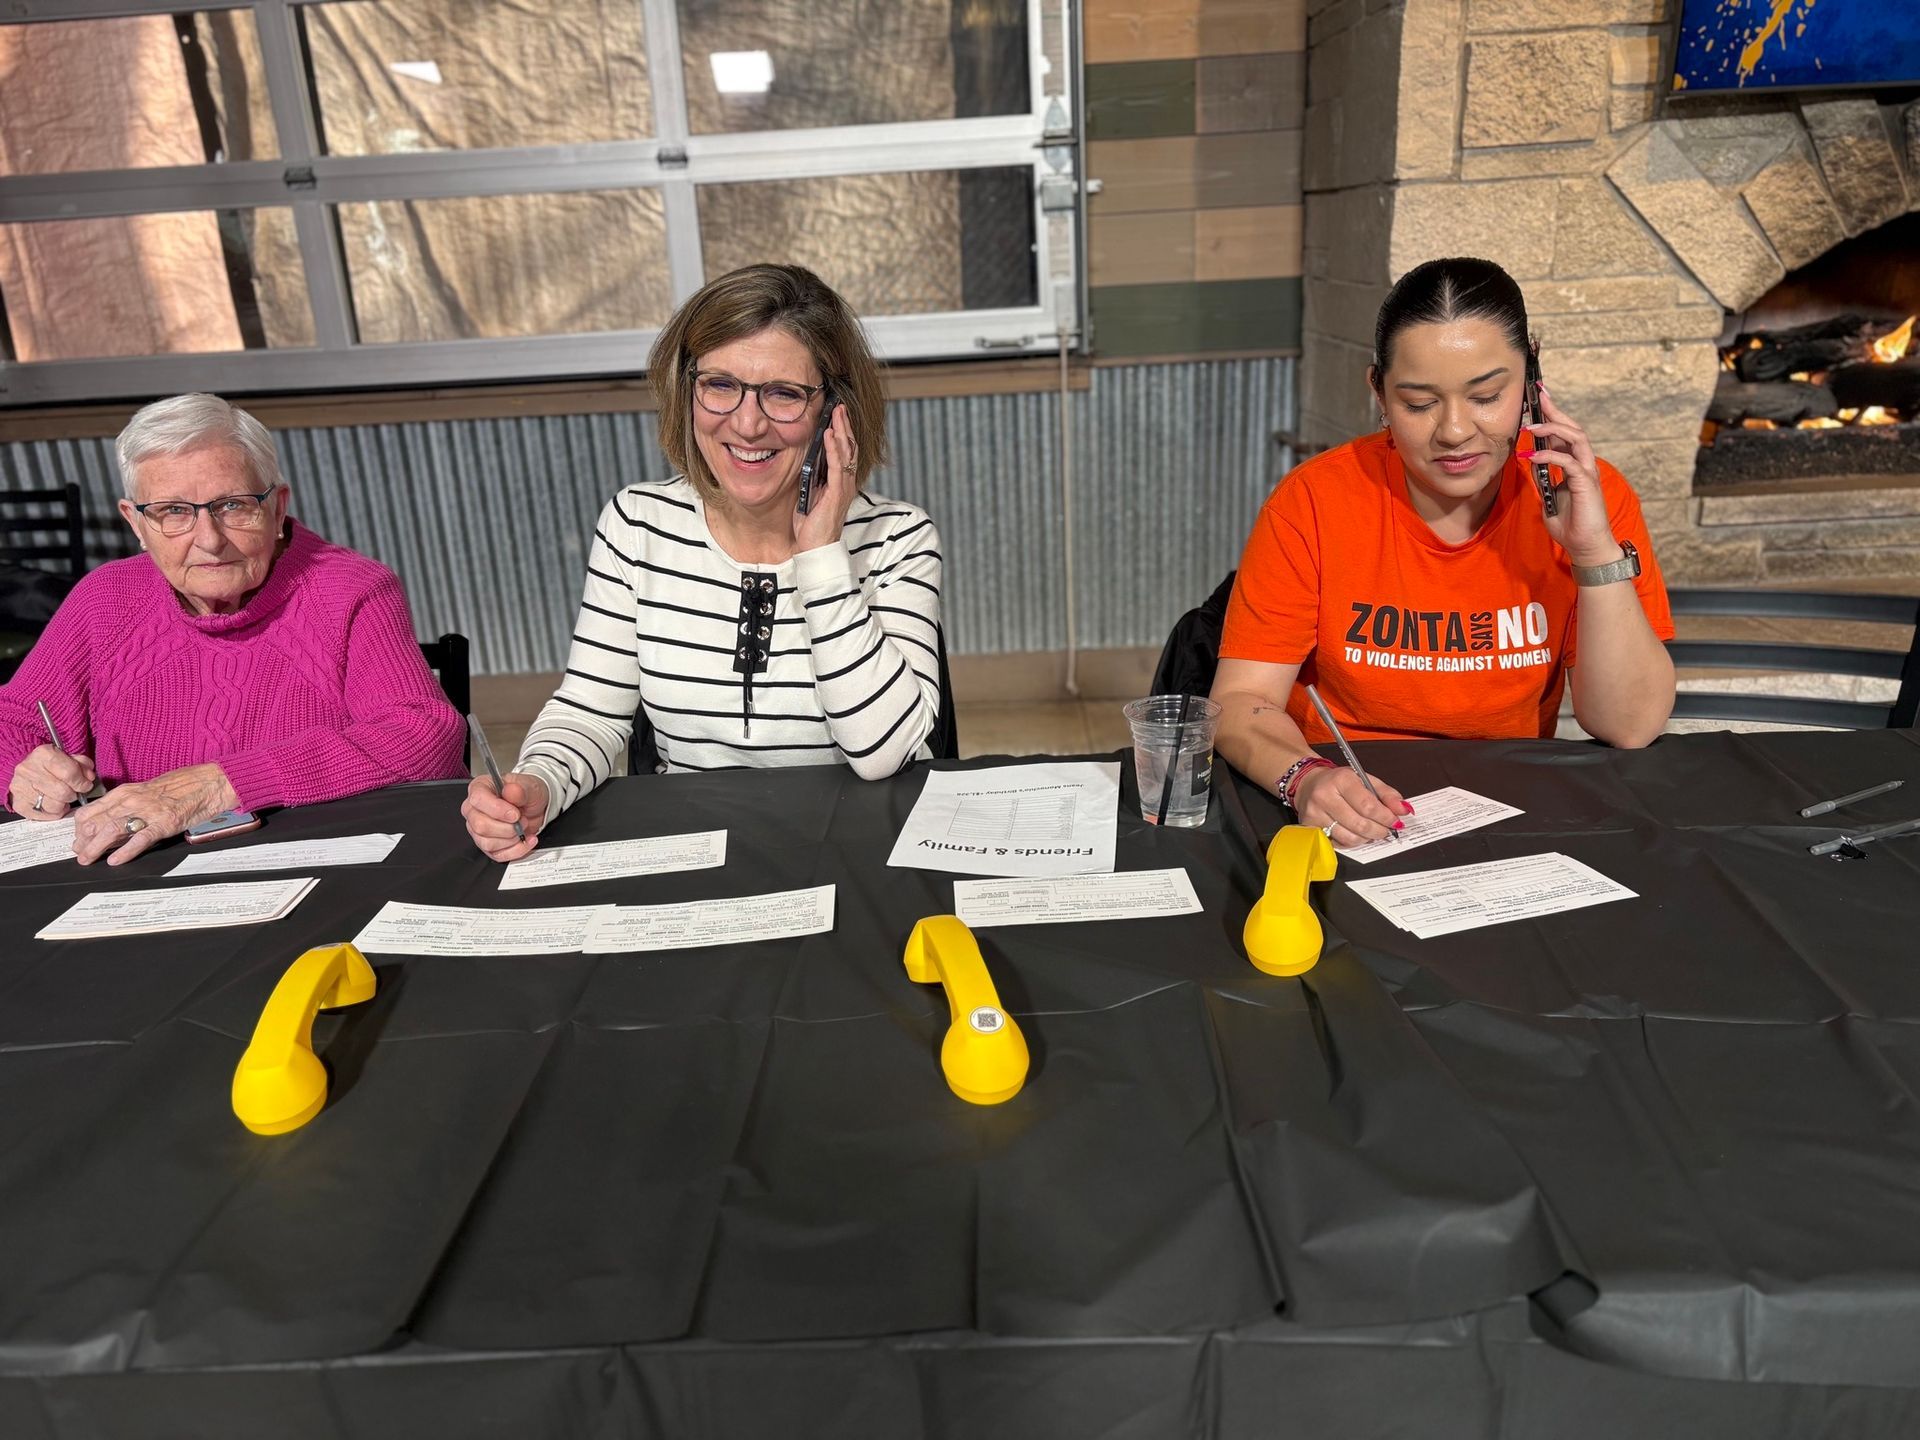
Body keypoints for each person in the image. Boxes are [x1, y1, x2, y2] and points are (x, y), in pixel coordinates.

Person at [463, 264, 945, 862]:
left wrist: (822, 556)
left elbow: (884, 754)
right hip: (692, 854)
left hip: (855, 853)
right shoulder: (637, 523)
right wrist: (538, 784)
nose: (747, 423)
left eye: (784, 393)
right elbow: (590, 711)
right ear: (686, 389)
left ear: (835, 411)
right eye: (720, 385)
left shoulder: (897, 537)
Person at [1211, 257, 1675, 847]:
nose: (1454, 431)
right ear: (1378, 391)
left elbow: (1630, 727)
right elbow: (1241, 701)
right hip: (1346, 800)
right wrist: (1305, 779)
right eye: (1419, 403)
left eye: (1486, 396)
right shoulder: (1314, 501)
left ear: (1532, 382)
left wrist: (1592, 552)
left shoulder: (1584, 496)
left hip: (1511, 810)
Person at [0, 393, 466, 865]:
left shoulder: (350, 590)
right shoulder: (106, 599)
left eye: (232, 505)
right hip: (137, 875)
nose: (209, 540)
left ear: (278, 507)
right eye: (173, 511)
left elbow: (424, 736)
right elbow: (11, 720)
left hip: (319, 863)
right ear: (136, 522)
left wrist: (217, 784)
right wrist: (23, 774)